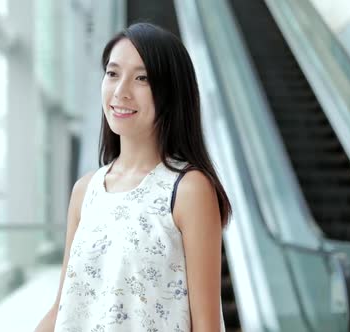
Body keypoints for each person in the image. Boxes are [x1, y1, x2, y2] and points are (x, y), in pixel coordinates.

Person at [34, 22, 231, 332]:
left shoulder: (188, 190)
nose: (120, 91)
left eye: (142, 78)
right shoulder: (86, 191)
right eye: (112, 74)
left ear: (171, 92)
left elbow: (206, 326)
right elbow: (65, 307)